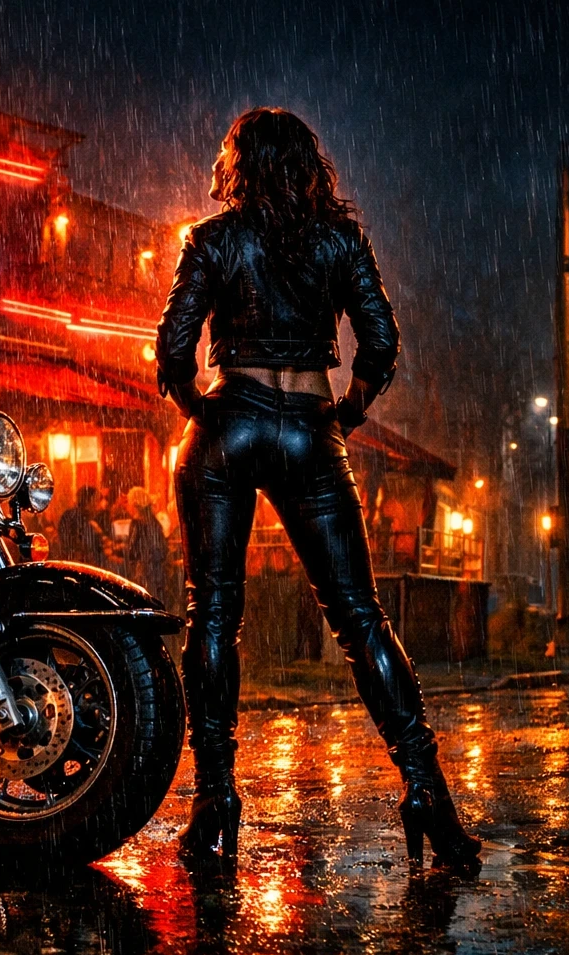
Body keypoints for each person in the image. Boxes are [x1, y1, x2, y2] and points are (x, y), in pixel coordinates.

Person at [156, 107, 481, 871]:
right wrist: (348, 409)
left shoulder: (213, 239)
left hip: (228, 419)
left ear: (239, 164)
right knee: (361, 618)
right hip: (310, 423)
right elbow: (381, 343)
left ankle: (214, 800)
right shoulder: (340, 238)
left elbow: (173, 349)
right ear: (307, 164)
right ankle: (428, 794)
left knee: (214, 613)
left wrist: (199, 407)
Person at [123, 486, 168, 599]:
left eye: (128, 502)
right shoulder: (153, 521)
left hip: (143, 571)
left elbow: (132, 550)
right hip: (157, 570)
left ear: (134, 505)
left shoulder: (137, 522)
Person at [56, 485, 109, 567]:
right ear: (90, 501)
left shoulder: (78, 516)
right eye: (97, 500)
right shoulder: (78, 518)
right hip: (77, 565)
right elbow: (85, 546)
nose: (99, 505)